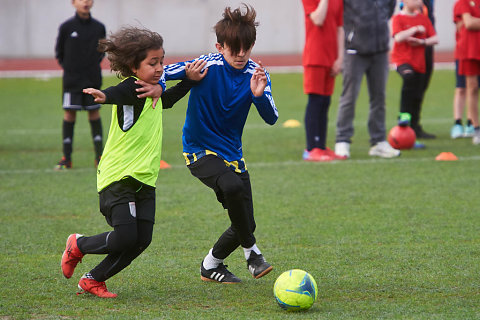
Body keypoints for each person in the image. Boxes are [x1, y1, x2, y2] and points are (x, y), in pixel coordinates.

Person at [60, 27, 206, 298]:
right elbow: (119, 91)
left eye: (162, 61)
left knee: (142, 240)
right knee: (126, 237)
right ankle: (78, 244)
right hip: (119, 177)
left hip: (144, 179)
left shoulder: (152, 92)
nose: (160, 68)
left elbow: (168, 99)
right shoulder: (133, 88)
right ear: (132, 66)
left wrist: (189, 80)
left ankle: (94, 279)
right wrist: (105, 96)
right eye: (153, 63)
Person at [163, 5, 278, 283]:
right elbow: (163, 72)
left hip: (233, 156)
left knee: (246, 224)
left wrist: (259, 95)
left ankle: (211, 264)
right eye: (233, 49)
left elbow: (272, 118)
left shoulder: (256, 74)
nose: (240, 55)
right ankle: (252, 253)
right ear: (219, 46)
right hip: (199, 150)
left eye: (246, 49)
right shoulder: (206, 65)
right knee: (231, 186)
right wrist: (158, 86)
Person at [334, 0, 400, 159]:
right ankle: (342, 139)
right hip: (355, 50)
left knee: (379, 97)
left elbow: (389, 8)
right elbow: (339, 12)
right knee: (349, 96)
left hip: (380, 49)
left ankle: (378, 141)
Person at [54, 0, 106, 170]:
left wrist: (89, 70)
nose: (86, 2)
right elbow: (59, 53)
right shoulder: (66, 27)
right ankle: (66, 158)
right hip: (72, 82)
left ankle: (99, 157)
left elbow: (101, 53)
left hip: (92, 80)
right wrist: (72, 69)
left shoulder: (99, 27)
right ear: (73, 3)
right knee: (70, 115)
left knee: (94, 114)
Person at [301, 0, 346, 162]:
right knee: (316, 101)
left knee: (325, 102)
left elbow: (340, 28)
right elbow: (318, 19)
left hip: (331, 58)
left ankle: (321, 147)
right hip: (315, 57)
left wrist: (340, 58)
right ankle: (312, 148)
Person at [391, 0, 438, 149]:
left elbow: (435, 38)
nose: (419, 1)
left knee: (418, 94)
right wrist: (414, 30)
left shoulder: (424, 19)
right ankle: (403, 118)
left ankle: (414, 129)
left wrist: (421, 42)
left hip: (419, 63)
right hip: (402, 60)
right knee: (408, 78)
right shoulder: (398, 18)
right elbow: (398, 37)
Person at [451, 0, 477, 139]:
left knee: (473, 89)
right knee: (462, 88)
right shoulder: (462, 3)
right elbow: (467, 23)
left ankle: (471, 123)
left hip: (477, 51)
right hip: (465, 52)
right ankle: (457, 123)